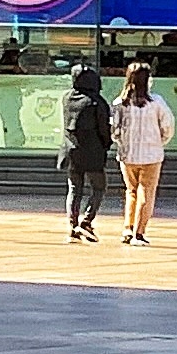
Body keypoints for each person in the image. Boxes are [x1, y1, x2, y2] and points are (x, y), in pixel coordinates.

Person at [114, 62, 175, 244]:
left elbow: (114, 130)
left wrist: (122, 143)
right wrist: (160, 141)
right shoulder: (156, 102)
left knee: (131, 191)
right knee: (146, 192)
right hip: (152, 154)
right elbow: (167, 126)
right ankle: (139, 232)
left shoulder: (120, 103)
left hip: (127, 155)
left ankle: (127, 228)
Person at [56, 61, 114, 243]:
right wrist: (107, 144)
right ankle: (87, 221)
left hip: (71, 151)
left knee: (74, 189)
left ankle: (73, 226)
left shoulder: (67, 98)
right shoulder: (96, 102)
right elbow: (104, 129)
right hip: (93, 152)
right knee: (99, 188)